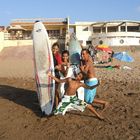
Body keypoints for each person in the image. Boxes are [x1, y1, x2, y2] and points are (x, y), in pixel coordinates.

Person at [51, 42, 62, 107]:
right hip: (50, 75)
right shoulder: (50, 55)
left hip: (56, 74)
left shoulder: (58, 56)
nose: (55, 50)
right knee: (51, 91)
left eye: (56, 49)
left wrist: (55, 67)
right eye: (54, 48)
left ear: (58, 50)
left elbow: (60, 66)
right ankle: (53, 104)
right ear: (52, 48)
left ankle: (57, 105)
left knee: (55, 91)